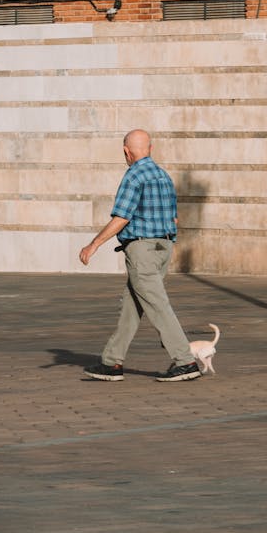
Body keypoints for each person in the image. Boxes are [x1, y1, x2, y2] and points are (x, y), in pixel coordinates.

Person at [79, 129, 200, 382]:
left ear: (126, 151)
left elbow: (122, 217)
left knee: (157, 305)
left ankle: (185, 360)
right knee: (133, 306)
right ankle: (112, 362)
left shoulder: (134, 176)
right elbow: (174, 218)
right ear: (150, 149)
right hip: (163, 248)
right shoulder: (163, 176)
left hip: (142, 250)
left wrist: (94, 244)